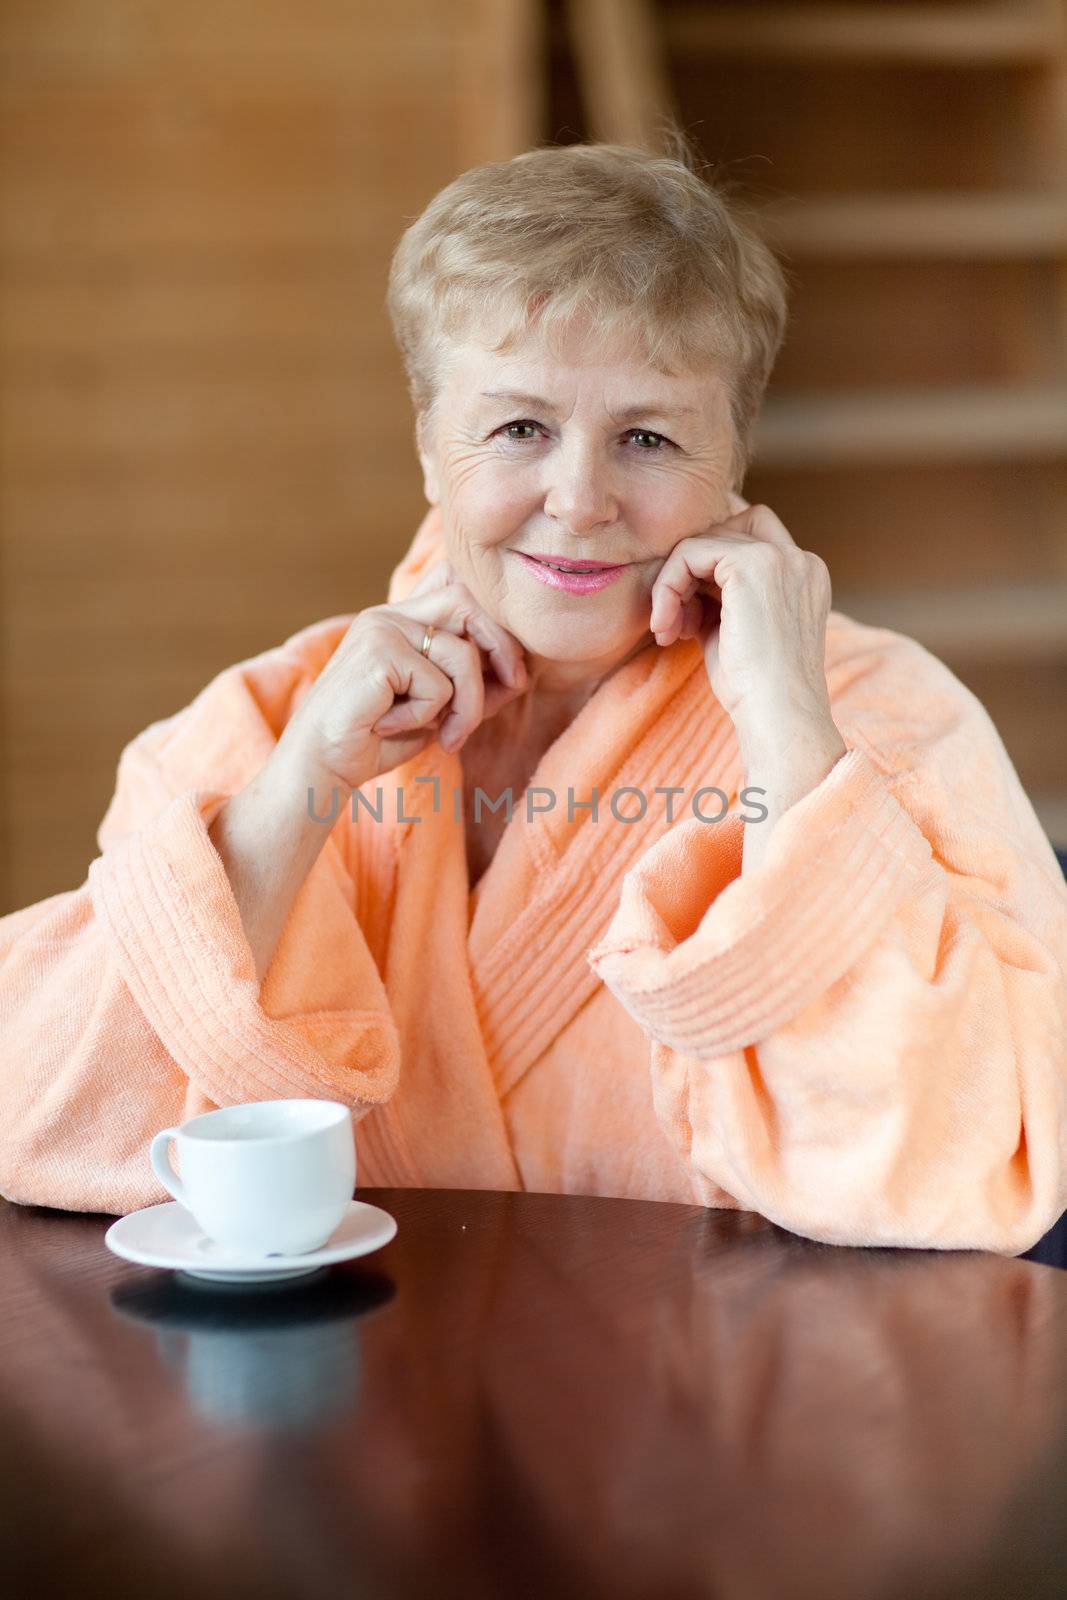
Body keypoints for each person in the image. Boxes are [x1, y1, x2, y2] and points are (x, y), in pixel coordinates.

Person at [2, 136, 1066, 1254]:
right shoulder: (271, 722)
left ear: (733, 463)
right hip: (341, 1399)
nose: (578, 498)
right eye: (518, 427)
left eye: (646, 437)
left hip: (734, 1399)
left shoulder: (879, 714)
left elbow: (975, 1170)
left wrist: (788, 733)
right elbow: (39, 1118)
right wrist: (301, 784)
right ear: (427, 446)